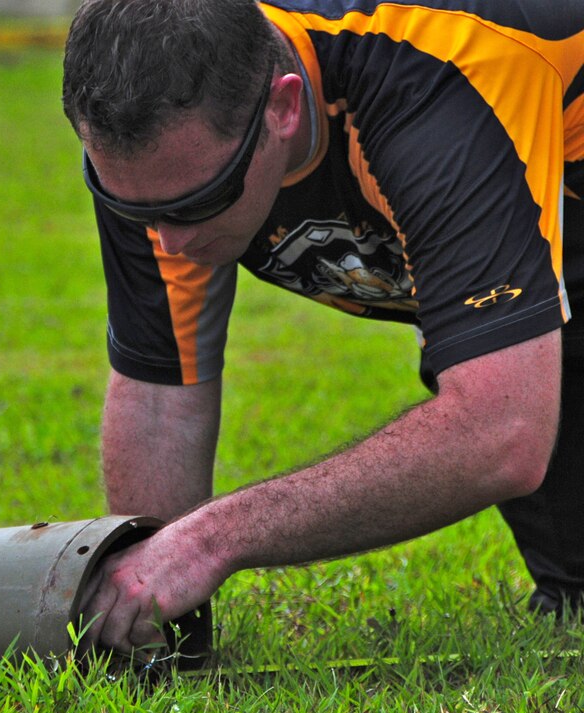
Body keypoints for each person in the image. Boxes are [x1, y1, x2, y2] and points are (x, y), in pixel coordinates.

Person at [61, 0, 584, 655]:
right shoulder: (167, 157)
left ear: (283, 108)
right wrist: (149, 608)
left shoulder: (435, 83)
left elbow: (501, 428)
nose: (166, 240)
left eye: (197, 204)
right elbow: (161, 397)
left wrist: (211, 537)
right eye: (131, 208)